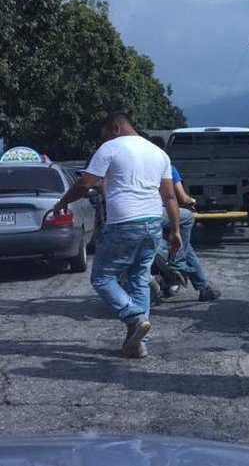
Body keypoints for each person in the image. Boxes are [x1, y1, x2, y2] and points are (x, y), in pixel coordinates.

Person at [53, 112, 182, 358]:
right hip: (153, 223)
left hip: (124, 223)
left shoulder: (110, 148)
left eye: (104, 135)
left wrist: (62, 203)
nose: (102, 140)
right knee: (139, 279)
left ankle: (133, 317)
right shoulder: (158, 153)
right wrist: (175, 230)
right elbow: (169, 197)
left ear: (115, 127)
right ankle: (138, 343)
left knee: (102, 279)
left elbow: (85, 184)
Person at [145, 134, 221, 302]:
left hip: (135, 215)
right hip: (160, 213)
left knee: (181, 246)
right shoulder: (167, 166)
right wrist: (192, 201)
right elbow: (180, 196)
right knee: (185, 243)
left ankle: (174, 279)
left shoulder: (137, 165)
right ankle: (198, 283)